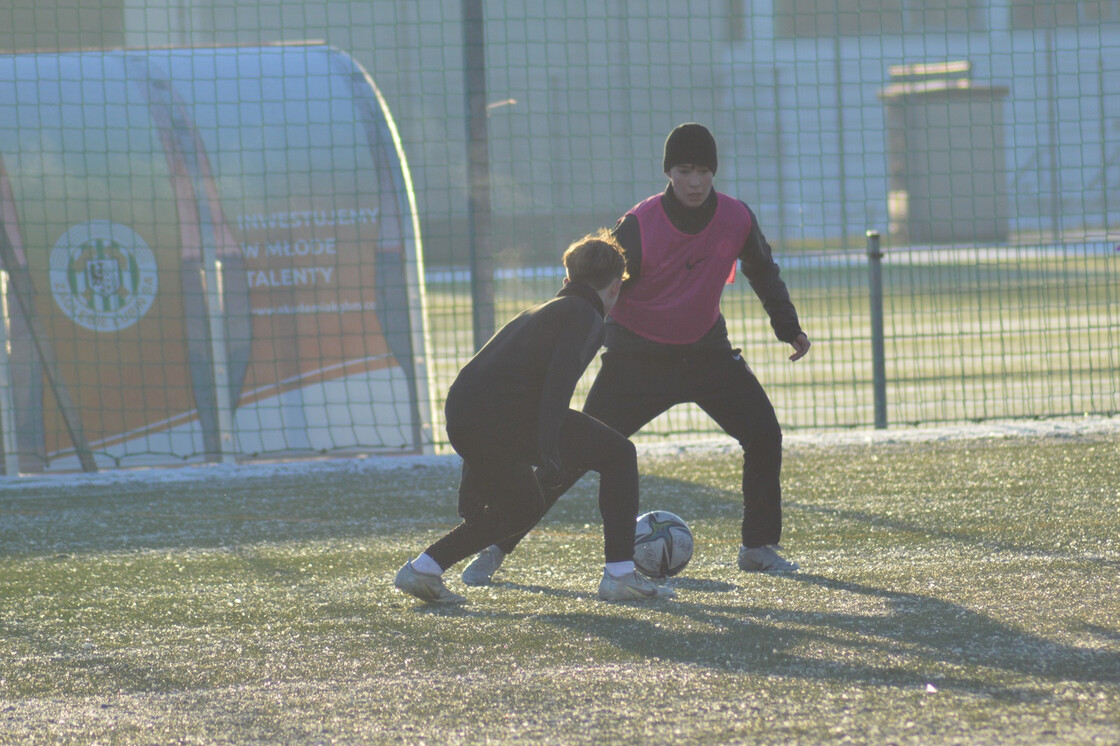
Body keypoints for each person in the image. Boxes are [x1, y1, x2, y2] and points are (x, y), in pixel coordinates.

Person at [461, 122, 812, 586]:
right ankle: (495, 547)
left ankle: (757, 547)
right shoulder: (640, 226)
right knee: (567, 458)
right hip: (636, 362)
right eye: (685, 170)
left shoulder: (736, 217)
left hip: (707, 354)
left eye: (704, 171)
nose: (695, 181)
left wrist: (787, 327)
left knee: (764, 434)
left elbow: (763, 270)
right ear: (668, 172)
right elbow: (586, 290)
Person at [394, 229, 676, 604]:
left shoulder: (539, 310)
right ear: (615, 289)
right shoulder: (586, 316)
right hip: (503, 416)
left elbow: (481, 385)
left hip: (465, 415)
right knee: (619, 453)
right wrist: (546, 450)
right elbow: (557, 385)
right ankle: (621, 575)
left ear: (567, 280)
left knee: (523, 506)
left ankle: (424, 568)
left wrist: (472, 470)